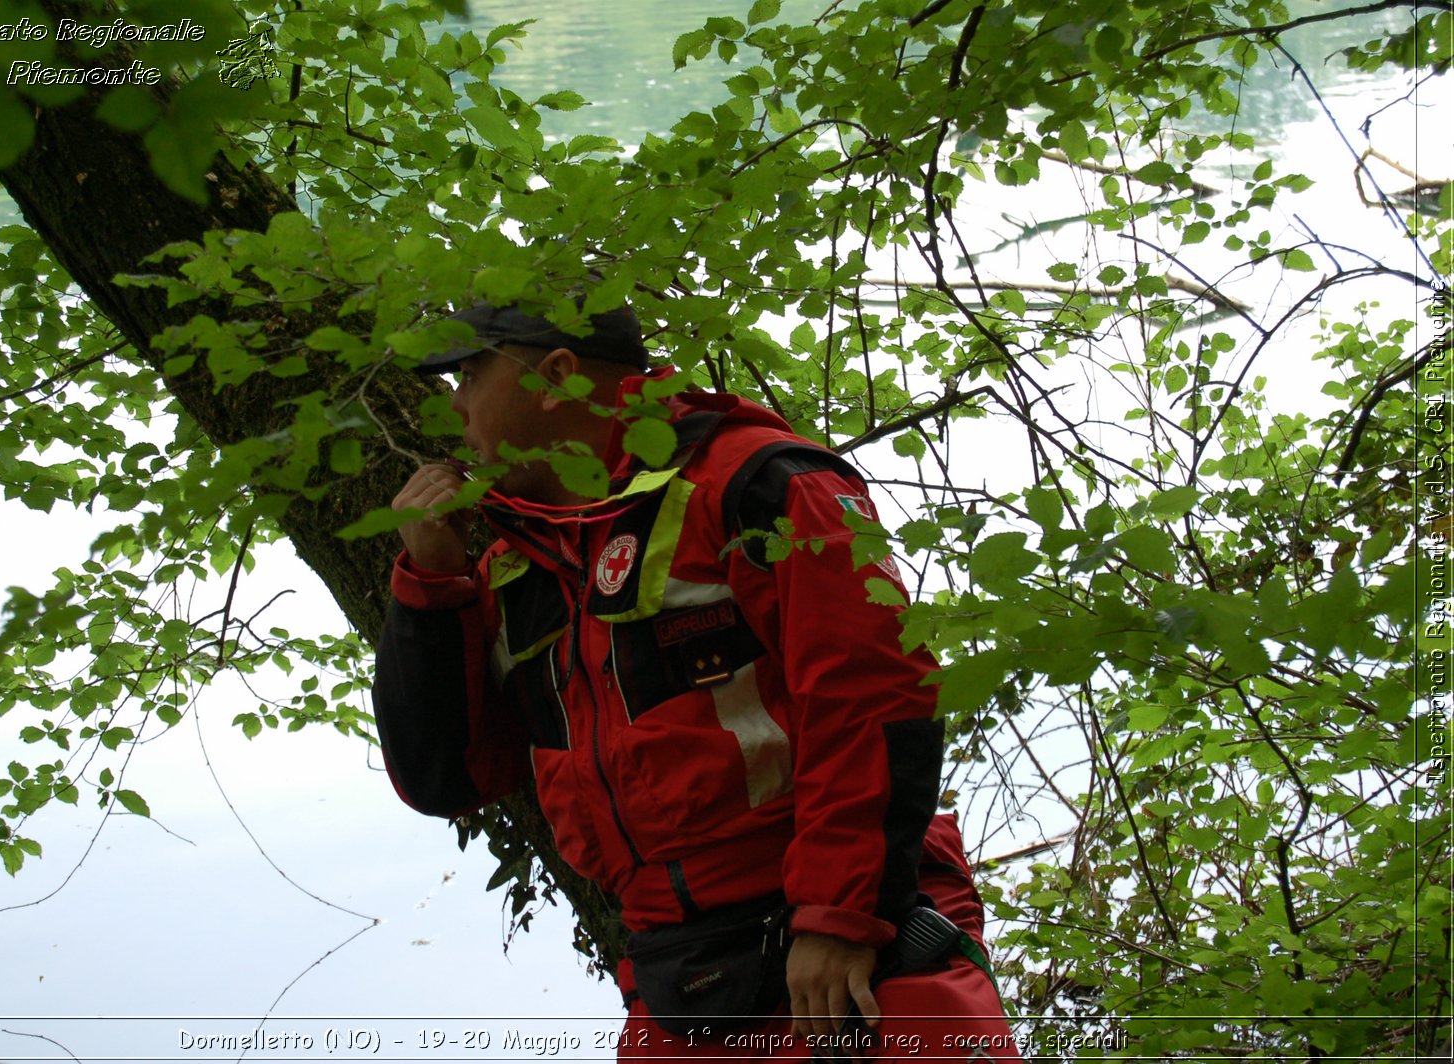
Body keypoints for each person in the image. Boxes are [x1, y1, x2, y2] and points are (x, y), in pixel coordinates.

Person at [373, 300, 1026, 1061]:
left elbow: (873, 696)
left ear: (554, 376)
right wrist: (430, 584)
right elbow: (442, 778)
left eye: (471, 374)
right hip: (677, 977)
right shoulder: (514, 565)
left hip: (859, 949)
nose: (453, 407)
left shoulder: (758, 484)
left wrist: (839, 916)